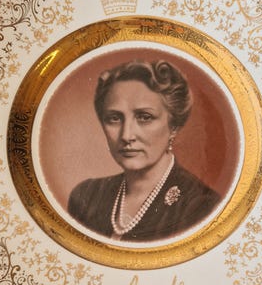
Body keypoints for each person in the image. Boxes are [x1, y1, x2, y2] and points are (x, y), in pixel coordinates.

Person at [68, 60, 219, 242]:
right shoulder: (86, 196)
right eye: (114, 118)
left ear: (173, 126)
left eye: (145, 117)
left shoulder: (201, 205)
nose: (126, 135)